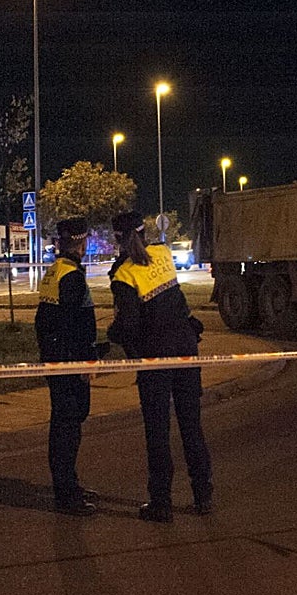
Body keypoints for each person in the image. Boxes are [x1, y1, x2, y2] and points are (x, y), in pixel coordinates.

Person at [108, 210, 212, 523]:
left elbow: (128, 325)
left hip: (155, 359)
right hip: (185, 350)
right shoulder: (164, 253)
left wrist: (113, 335)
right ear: (145, 231)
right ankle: (203, 496)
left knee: (158, 432)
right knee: (191, 425)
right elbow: (175, 303)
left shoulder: (125, 275)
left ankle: (161, 503)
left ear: (117, 239)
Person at [35, 217, 100, 516]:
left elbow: (44, 322)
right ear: (82, 242)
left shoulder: (55, 272)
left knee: (63, 423)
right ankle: (66, 494)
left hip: (56, 358)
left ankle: (68, 484)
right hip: (69, 361)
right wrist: (86, 360)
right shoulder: (71, 276)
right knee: (68, 426)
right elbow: (73, 324)